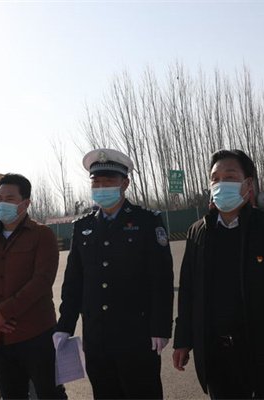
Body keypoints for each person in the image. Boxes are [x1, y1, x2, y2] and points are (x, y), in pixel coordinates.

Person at [172, 149, 264, 399]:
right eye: (215, 179)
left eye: (230, 177)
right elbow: (188, 290)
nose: (221, 184)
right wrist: (182, 340)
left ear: (248, 184)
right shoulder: (197, 232)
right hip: (217, 355)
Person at [54, 148, 174, 399]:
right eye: (96, 182)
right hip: (97, 337)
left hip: (137, 334)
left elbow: (161, 279)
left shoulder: (146, 221)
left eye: (108, 181)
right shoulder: (83, 226)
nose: (101, 187)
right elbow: (74, 281)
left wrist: (161, 326)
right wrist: (65, 325)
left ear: (125, 183)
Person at [0, 173, 66, 399]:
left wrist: (3, 312)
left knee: (50, 394)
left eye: (10, 198)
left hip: (37, 335)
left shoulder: (42, 235)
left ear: (26, 203)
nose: (2, 203)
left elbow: (42, 281)